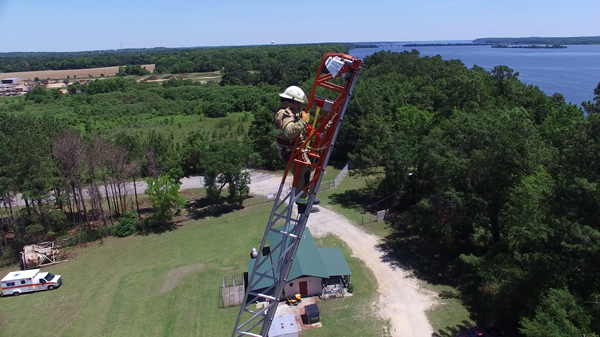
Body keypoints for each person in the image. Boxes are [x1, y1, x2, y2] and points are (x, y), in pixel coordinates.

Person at [273, 85, 320, 214]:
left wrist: (300, 116)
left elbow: (292, 119)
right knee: (302, 175)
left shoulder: (288, 112)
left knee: (309, 168)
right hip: (289, 151)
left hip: (294, 150)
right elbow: (289, 131)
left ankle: (306, 198)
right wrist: (303, 122)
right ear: (292, 100)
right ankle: (302, 206)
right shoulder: (282, 113)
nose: (299, 105)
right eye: (298, 103)